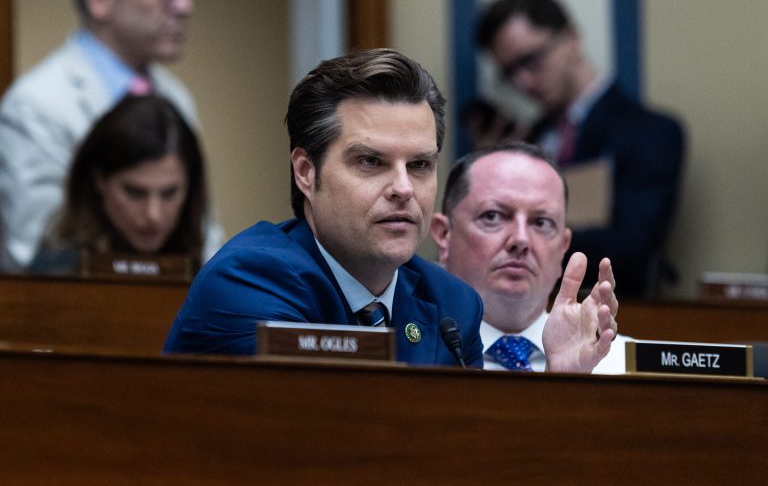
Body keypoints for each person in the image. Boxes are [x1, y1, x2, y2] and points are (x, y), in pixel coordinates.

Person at [163, 48, 617, 370]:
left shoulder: (451, 303)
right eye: (370, 162)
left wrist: (560, 386)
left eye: (419, 165)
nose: (403, 188)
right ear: (306, 171)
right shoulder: (252, 281)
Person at [475, 0, 685, 298]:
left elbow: (632, 246)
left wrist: (529, 235)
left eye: (530, 60)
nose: (523, 83)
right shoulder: (526, 140)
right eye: (510, 74)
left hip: (613, 314)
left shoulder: (651, 132)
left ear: (571, 37)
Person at [0, 0, 204, 272]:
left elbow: (201, 231)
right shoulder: (35, 103)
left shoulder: (176, 97)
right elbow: (33, 257)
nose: (186, 5)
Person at [431, 141, 629, 373]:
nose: (521, 240)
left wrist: (571, 387)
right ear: (444, 235)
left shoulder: (626, 367)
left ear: (563, 247)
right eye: (493, 216)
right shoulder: (403, 356)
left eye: (541, 222)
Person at [29, 95, 210, 274]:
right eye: (135, 193)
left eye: (169, 193)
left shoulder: (210, 269)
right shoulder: (53, 273)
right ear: (99, 180)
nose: (153, 215)